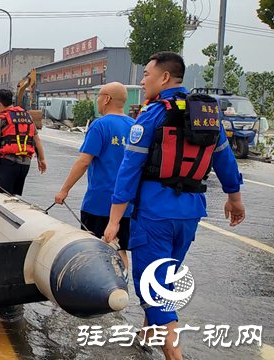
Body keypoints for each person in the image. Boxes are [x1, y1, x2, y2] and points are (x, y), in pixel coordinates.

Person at [103, 52, 245, 360]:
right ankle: (146, 336)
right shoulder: (205, 114)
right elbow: (225, 159)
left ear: (164, 78)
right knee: (163, 279)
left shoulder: (152, 114)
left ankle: (175, 355)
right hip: (190, 213)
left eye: (147, 75)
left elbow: (129, 169)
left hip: (155, 214)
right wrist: (234, 198)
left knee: (153, 289)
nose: (142, 81)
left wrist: (115, 220)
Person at [54, 82, 134, 269]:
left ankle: (100, 291)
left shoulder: (100, 125)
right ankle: (121, 284)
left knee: (97, 249)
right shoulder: (135, 125)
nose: (96, 100)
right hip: (127, 204)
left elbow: (83, 162)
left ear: (106, 99)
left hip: (100, 202)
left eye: (98, 96)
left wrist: (64, 190)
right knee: (120, 248)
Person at [0, 89, 47, 196]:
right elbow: (36, 139)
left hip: (7, 164)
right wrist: (41, 159)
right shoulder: (27, 117)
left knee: (2, 197)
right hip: (24, 165)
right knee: (13, 195)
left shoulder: (0, 120)